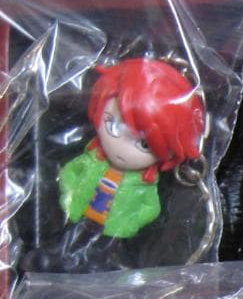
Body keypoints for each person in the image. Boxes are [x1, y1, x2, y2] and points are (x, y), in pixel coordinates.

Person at [24, 58, 205, 273]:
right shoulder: (94, 160)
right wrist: (70, 192)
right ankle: (55, 258)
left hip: (112, 226)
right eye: (113, 126)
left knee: (103, 249)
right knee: (70, 235)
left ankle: (94, 267)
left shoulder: (142, 182)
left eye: (144, 144)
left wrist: (132, 220)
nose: (122, 149)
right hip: (83, 212)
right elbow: (70, 172)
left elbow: (151, 207)